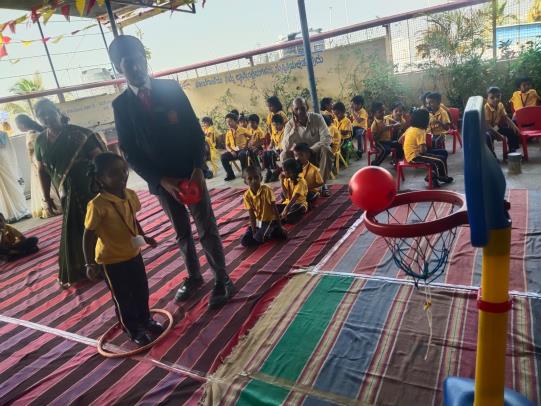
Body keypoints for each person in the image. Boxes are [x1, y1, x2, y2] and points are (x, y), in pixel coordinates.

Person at [109, 35, 233, 307]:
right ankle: (194, 276)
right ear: (119, 68)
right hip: (162, 182)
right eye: (128, 64)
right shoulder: (121, 106)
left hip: (190, 174)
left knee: (206, 226)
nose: (136, 67)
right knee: (181, 231)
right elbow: (130, 151)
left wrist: (198, 168)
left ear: (145, 60)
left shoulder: (170, 89)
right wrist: (161, 181)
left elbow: (195, 132)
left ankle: (222, 278)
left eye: (139, 60)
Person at [83, 152, 164, 346]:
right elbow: (88, 235)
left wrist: (144, 236)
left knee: (141, 289)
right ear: (100, 178)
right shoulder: (97, 205)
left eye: (123, 171)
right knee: (123, 297)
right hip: (111, 259)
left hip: (133, 253)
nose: (122, 176)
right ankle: (133, 329)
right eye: (113, 173)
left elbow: (132, 220)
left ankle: (146, 319)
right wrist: (89, 263)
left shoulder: (130, 195)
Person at [34, 98, 106, 287]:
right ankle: (83, 267)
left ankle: (108, 260)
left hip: (88, 187)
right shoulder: (40, 140)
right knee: (75, 227)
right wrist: (46, 197)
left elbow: (99, 158)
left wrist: (105, 182)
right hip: (65, 192)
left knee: (95, 222)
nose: (47, 118)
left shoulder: (79, 134)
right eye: (41, 116)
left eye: (50, 113)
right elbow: (42, 171)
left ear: (58, 112)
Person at [282, 97, 333, 197]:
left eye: (302, 108)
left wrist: (310, 150)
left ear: (307, 107)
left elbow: (327, 138)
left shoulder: (317, 118)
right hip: (299, 157)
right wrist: (294, 129)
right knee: (284, 154)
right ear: (293, 111)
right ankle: (294, 184)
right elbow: (285, 147)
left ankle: (321, 184)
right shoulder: (289, 125)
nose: (300, 111)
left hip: (315, 153)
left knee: (327, 149)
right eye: (296, 109)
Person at [15, 114, 60, 219]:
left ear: (22, 124)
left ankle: (54, 206)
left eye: (18, 126)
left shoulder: (33, 134)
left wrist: (37, 164)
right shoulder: (31, 133)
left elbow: (39, 152)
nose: (18, 128)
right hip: (35, 162)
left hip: (38, 161)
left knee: (46, 183)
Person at [402, 109, 453, 187]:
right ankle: (441, 177)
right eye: (428, 118)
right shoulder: (420, 131)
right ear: (424, 120)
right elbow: (423, 150)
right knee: (439, 160)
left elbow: (400, 140)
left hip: (412, 153)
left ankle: (431, 176)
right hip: (415, 156)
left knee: (443, 152)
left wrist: (407, 146)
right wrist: (425, 146)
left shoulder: (410, 128)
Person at [240, 166, 287, 247]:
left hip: (270, 221)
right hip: (259, 222)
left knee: (259, 238)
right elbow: (251, 214)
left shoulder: (267, 190)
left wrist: (280, 226)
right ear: (245, 182)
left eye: (256, 177)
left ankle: (274, 229)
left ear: (261, 178)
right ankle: (270, 232)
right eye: (250, 179)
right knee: (244, 241)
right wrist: (254, 230)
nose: (254, 181)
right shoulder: (246, 195)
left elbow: (275, 209)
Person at [0, 129, 30, 223]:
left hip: (4, 160)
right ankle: (9, 214)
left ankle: (21, 210)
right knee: (4, 188)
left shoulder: (3, 134)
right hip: (4, 159)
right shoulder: (3, 134)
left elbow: (5, 147)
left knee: (11, 184)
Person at [485, 86, 521, 155]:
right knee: (488, 136)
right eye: (492, 98)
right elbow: (487, 125)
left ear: (501, 96)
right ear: (487, 99)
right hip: (488, 129)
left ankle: (512, 151)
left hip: (496, 127)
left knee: (512, 131)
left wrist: (515, 127)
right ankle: (492, 155)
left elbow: (506, 117)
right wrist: (498, 135)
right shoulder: (486, 107)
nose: (496, 99)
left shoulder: (500, 105)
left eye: (498, 96)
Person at [221, 112, 251, 181]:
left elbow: (251, 137)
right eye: (227, 122)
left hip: (242, 150)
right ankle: (230, 174)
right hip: (233, 151)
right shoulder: (228, 133)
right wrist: (231, 151)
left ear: (235, 121)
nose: (228, 123)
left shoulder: (242, 129)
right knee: (223, 157)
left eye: (230, 121)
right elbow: (227, 145)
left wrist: (248, 145)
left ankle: (245, 172)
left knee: (242, 154)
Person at [370, 102, 402, 166]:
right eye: (380, 112)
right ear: (374, 114)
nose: (383, 113)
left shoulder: (386, 118)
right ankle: (375, 164)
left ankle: (396, 161)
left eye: (383, 110)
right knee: (386, 150)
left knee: (399, 143)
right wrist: (381, 130)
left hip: (388, 141)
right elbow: (374, 139)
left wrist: (391, 126)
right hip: (379, 142)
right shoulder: (374, 124)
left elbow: (398, 123)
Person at [278, 158, 308, 224]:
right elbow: (287, 196)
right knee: (272, 209)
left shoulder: (301, 181)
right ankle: (281, 218)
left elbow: (294, 199)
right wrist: (281, 182)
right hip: (288, 203)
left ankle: (282, 218)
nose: (282, 173)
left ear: (290, 171)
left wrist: (286, 209)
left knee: (290, 215)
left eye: (284, 170)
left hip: (298, 204)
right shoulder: (287, 180)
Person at [262, 113, 285, 183]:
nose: (275, 127)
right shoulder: (274, 132)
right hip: (277, 150)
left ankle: (275, 171)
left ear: (282, 123)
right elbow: (271, 144)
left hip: (283, 150)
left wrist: (275, 150)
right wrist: (268, 149)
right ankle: (269, 171)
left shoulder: (285, 131)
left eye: (277, 124)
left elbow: (284, 145)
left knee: (271, 154)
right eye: (274, 125)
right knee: (265, 153)